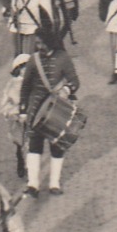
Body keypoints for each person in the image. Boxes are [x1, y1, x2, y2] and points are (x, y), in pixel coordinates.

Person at [21, 31, 80, 196]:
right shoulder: (34, 60)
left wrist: (66, 90)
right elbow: (25, 86)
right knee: (34, 146)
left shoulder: (63, 58)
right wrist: (23, 110)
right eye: (37, 43)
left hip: (57, 108)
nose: (39, 47)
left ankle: (54, 183)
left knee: (57, 146)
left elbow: (75, 81)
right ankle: (33, 184)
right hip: (35, 109)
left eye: (42, 43)